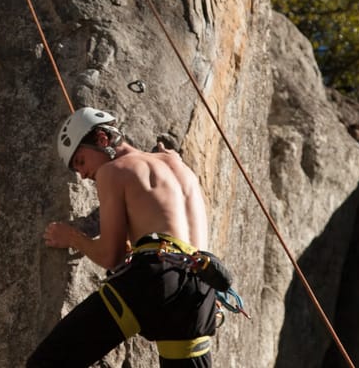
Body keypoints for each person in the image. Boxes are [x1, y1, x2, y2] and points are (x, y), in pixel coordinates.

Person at [27, 107, 230, 367]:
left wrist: (73, 238)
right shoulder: (179, 166)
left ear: (101, 139)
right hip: (200, 287)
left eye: (80, 160)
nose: (82, 174)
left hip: (155, 278)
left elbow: (111, 256)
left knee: (47, 362)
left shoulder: (112, 171)